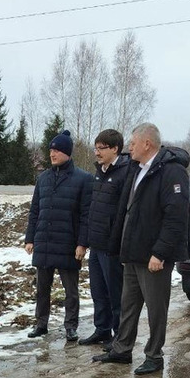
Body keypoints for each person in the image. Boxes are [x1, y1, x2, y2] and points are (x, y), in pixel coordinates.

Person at [92, 122, 189, 375]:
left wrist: (160, 253)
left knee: (156, 308)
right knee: (128, 305)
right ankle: (122, 349)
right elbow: (128, 210)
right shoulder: (137, 169)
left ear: (147, 144)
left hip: (153, 256)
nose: (130, 147)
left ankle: (154, 355)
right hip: (133, 253)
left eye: (133, 143)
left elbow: (175, 216)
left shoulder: (171, 172)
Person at [24, 129, 93, 342]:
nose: (52, 154)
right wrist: (30, 238)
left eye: (56, 150)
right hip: (44, 242)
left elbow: (85, 215)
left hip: (68, 243)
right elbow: (35, 210)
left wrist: (82, 243)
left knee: (70, 290)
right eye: (51, 150)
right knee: (42, 289)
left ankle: (71, 326)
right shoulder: (43, 178)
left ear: (67, 152)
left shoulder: (83, 179)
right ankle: (41, 323)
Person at [78, 129, 129, 347]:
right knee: (98, 292)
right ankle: (102, 330)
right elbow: (92, 209)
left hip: (112, 246)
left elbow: (122, 212)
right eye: (96, 148)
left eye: (101, 148)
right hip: (96, 244)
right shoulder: (99, 172)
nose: (97, 152)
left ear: (115, 148)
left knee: (115, 293)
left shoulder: (125, 173)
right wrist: (85, 240)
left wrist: (115, 241)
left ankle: (120, 335)